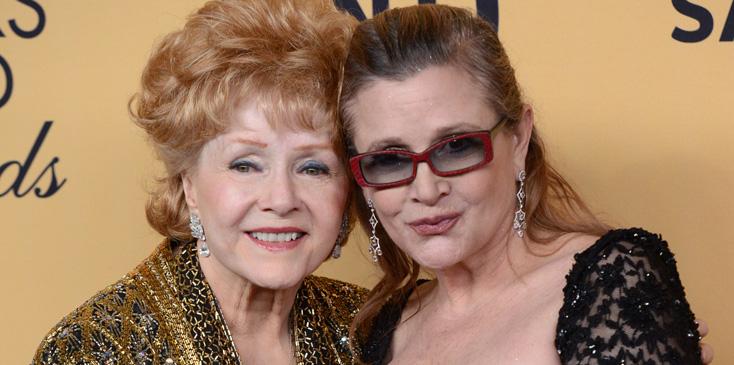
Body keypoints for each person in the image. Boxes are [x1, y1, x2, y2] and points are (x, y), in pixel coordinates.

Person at [338, 4, 706, 364]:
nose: (426, 190)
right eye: (388, 160)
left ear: (518, 139)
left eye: (455, 147)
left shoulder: (610, 283)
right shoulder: (384, 327)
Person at [32, 0, 364, 364]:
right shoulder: (94, 348)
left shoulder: (369, 329)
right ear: (189, 183)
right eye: (245, 165)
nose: (282, 199)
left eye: (313, 168)